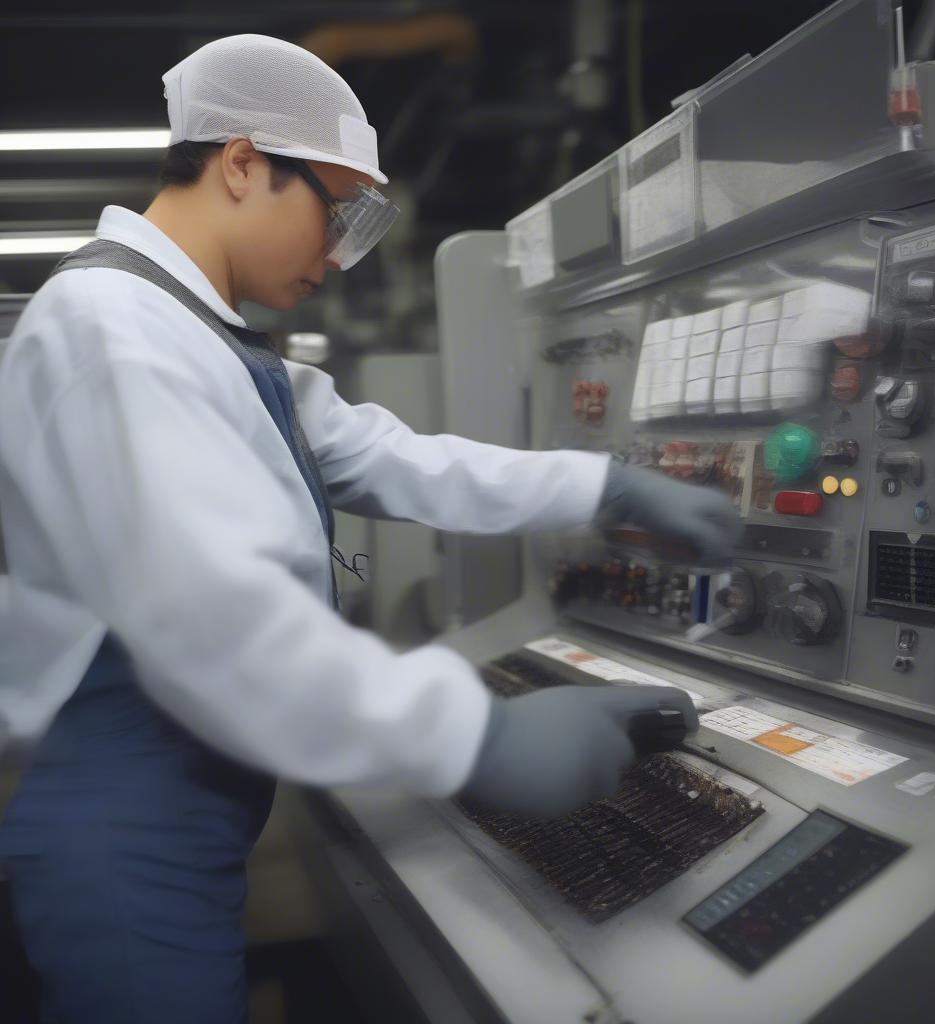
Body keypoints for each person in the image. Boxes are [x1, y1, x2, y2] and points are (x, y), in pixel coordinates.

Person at [0, 34, 740, 1023]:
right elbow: (217, 625)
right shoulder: (113, 331)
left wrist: (602, 481)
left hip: (180, 796)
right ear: (243, 162)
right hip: (127, 821)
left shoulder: (203, 340)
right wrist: (478, 736)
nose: (340, 252)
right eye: (335, 209)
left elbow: (394, 458)